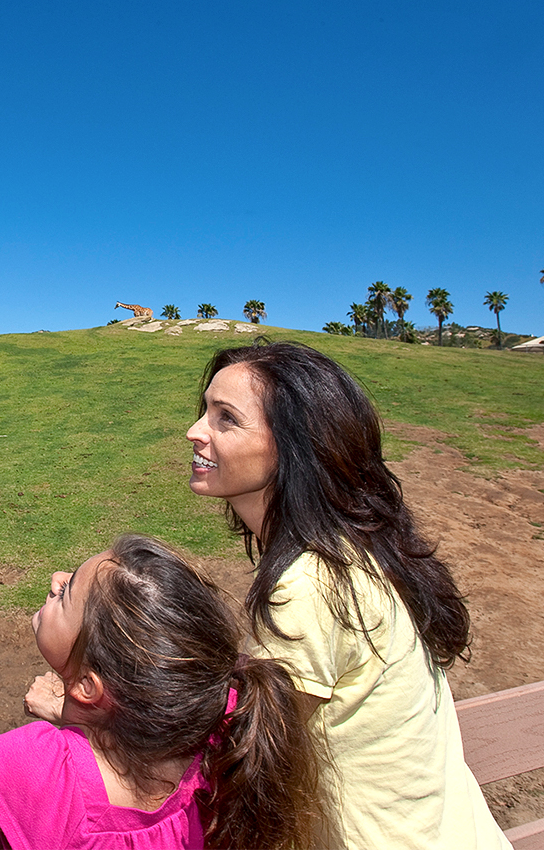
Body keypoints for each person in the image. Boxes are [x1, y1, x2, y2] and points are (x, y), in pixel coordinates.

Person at [185, 340, 510, 848]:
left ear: (295, 445)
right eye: (205, 410)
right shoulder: (366, 550)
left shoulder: (309, 585)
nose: (195, 431)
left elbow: (246, 761)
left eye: (226, 417)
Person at [0, 534, 326, 850]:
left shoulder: (41, 767)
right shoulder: (218, 739)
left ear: (87, 687)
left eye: (68, 593)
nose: (56, 578)